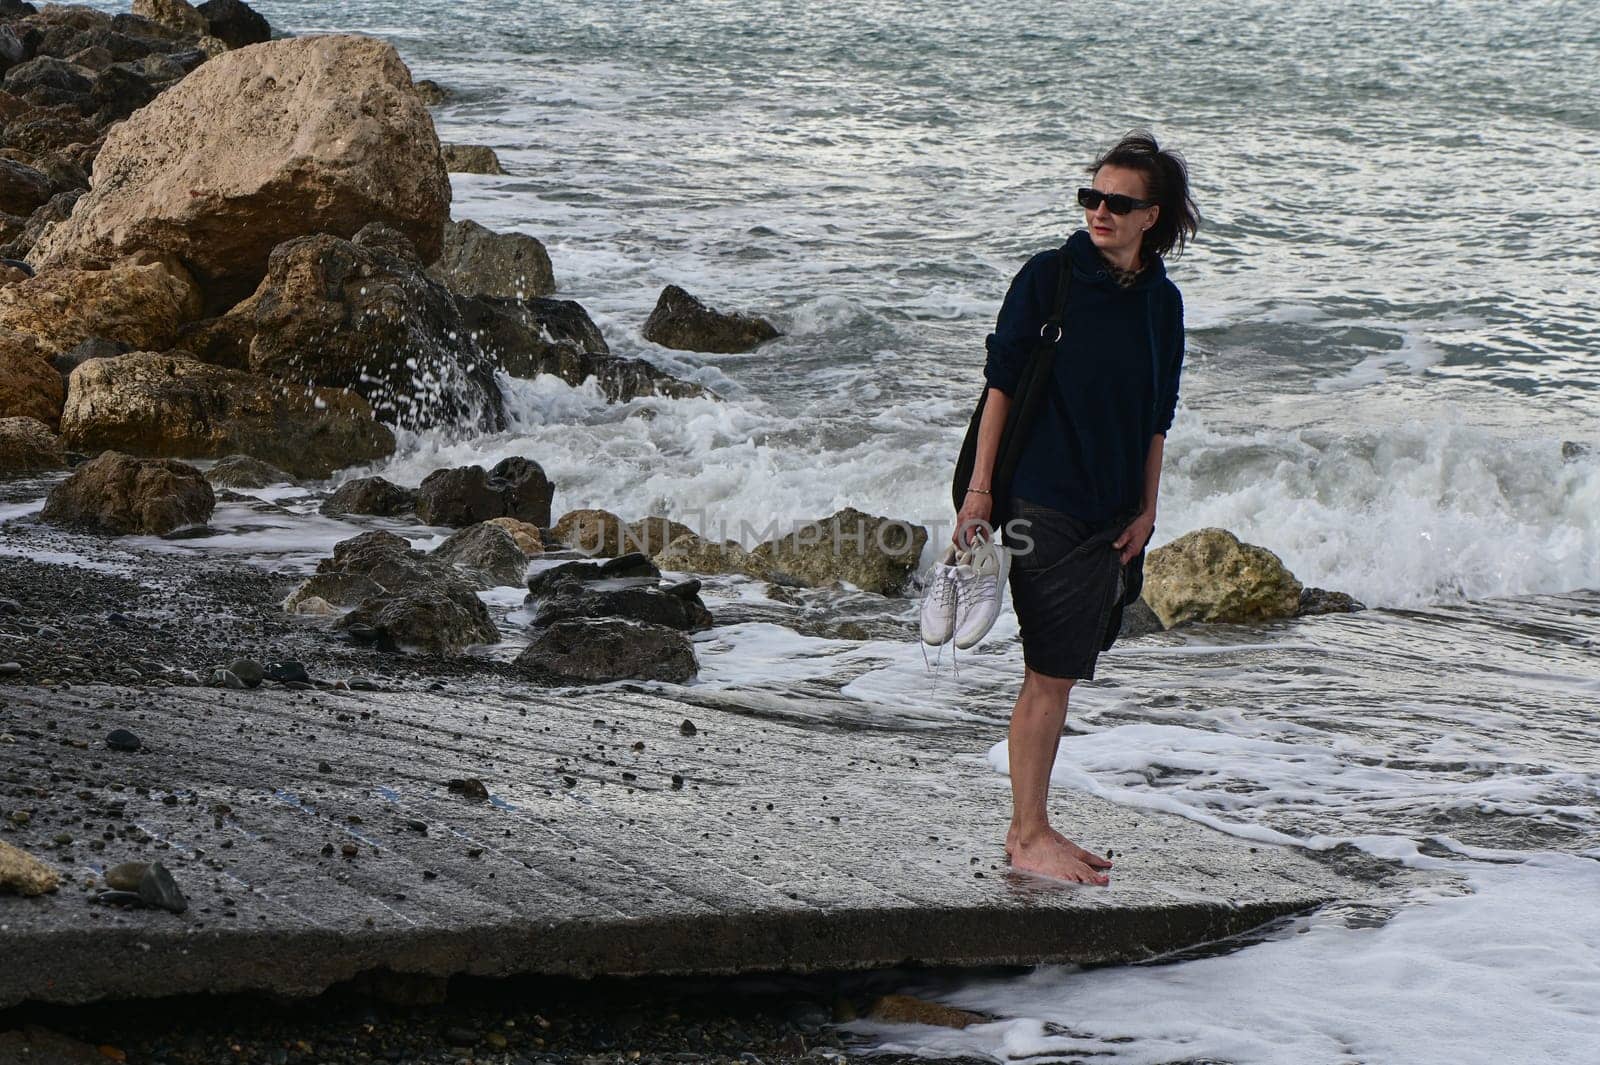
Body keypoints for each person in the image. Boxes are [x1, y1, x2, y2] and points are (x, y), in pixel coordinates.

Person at [955, 131, 1199, 885]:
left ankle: (1032, 825)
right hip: (1041, 494)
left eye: (1116, 203)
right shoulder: (1049, 278)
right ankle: (1028, 832)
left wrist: (1148, 510)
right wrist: (980, 492)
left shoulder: (1162, 304)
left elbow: (1159, 415)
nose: (1098, 211)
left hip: (1111, 511)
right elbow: (1001, 384)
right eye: (1089, 197)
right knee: (1049, 672)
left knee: (1058, 668)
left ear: (1151, 216)